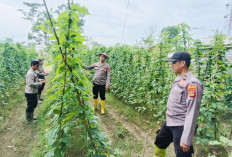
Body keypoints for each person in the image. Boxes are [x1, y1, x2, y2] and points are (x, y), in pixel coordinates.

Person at [154, 51, 203, 157]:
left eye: (174, 62)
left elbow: (192, 113)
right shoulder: (179, 79)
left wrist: (186, 138)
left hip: (181, 125)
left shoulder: (193, 84)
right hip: (170, 121)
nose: (171, 65)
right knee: (159, 142)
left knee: (182, 154)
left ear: (182, 63)